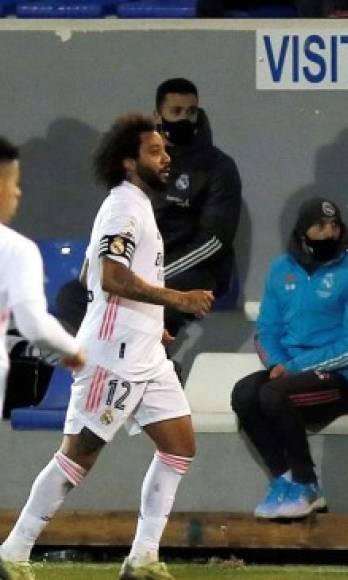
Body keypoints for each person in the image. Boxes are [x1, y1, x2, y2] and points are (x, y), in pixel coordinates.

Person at [0, 115, 214, 580]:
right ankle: (13, 551)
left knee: (179, 447)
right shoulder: (123, 207)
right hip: (113, 356)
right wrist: (176, 299)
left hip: (144, 353)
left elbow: (88, 277)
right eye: (155, 151)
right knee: (79, 456)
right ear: (128, 161)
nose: (166, 157)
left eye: (165, 150)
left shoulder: (136, 206)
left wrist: (150, 323)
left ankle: (143, 559)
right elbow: (113, 278)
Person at [56, 78, 241, 340]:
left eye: (191, 112)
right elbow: (116, 226)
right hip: (138, 265)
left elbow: (213, 241)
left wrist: (153, 274)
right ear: (158, 115)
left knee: (151, 301)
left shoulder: (218, 166)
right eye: (176, 112)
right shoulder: (138, 173)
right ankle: (130, 354)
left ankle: (147, 356)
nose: (185, 119)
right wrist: (102, 269)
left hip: (191, 270)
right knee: (71, 296)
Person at [231, 198, 348, 520]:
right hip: (287, 370)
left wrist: (293, 368)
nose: (328, 233)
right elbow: (266, 329)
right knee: (244, 393)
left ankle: (307, 484)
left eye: (334, 226)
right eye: (320, 226)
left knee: (273, 394)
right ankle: (283, 479)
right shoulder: (281, 269)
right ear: (303, 231)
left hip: (344, 377)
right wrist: (276, 364)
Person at [0, 135, 85, 428]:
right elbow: (34, 326)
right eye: (14, 183)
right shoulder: (15, 249)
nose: (18, 194)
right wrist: (72, 350)